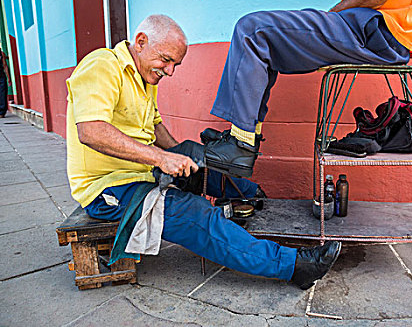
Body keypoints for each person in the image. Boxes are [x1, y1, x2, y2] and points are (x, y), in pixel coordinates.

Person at [66, 14, 341, 290]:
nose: (170, 71)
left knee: (227, 180)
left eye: (175, 64)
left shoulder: (144, 77)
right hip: (108, 188)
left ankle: (255, 224)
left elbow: (155, 125)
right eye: (166, 60)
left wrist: (182, 155)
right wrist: (162, 158)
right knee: (195, 213)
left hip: (141, 170)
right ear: (141, 42)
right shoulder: (101, 66)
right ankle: (293, 266)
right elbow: (91, 131)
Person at [204, 0, 412, 177]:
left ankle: (241, 145)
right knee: (270, 43)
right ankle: (245, 137)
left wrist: (334, 15)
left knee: (252, 30)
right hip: (374, 28)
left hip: (379, 29)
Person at [0, 47, 11, 118]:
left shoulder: (1, 54)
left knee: (3, 93)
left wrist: (8, 78)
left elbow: (5, 66)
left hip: (1, 77)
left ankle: (2, 112)